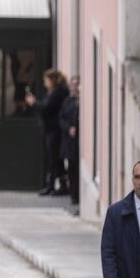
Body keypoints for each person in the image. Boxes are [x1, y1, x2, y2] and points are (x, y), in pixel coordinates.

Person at [26, 69, 69, 195]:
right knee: (52, 159)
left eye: (46, 80)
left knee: (54, 159)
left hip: (54, 130)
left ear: (52, 80)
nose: (44, 82)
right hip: (50, 129)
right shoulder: (53, 92)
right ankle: (54, 185)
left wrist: (34, 103)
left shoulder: (58, 93)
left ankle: (58, 185)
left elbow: (46, 107)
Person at [59, 76, 80, 206]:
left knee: (77, 169)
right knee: (71, 169)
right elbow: (61, 118)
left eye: (77, 84)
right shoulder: (67, 101)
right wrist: (68, 128)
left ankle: (78, 195)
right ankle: (73, 195)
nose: (75, 87)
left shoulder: (83, 102)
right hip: (70, 142)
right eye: (73, 85)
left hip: (79, 142)